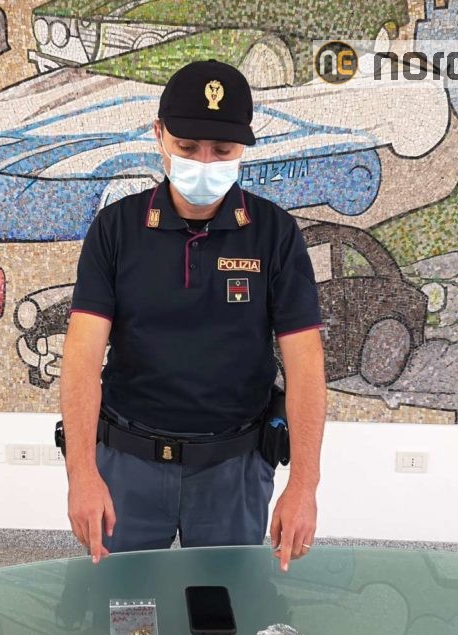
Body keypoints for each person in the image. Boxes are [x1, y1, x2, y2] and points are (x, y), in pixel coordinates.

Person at [59, 58, 326, 572]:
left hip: (234, 471)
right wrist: (82, 473)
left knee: (226, 607)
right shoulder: (116, 229)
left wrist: (304, 485)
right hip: (127, 466)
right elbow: (81, 356)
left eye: (221, 151)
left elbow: (306, 363)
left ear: (243, 148)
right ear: (158, 135)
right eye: (187, 147)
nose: (204, 162)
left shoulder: (274, 233)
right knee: (124, 607)